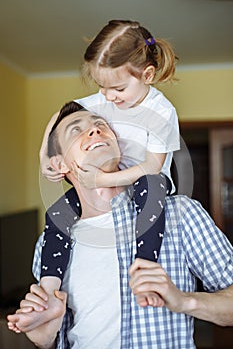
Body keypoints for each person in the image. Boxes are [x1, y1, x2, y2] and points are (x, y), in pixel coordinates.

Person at [7, 105, 233, 349]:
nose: (94, 130)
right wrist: (45, 340)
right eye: (76, 130)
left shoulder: (181, 214)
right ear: (59, 164)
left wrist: (185, 301)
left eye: (100, 124)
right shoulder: (48, 248)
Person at [39, 20, 180, 307]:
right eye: (101, 87)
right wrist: (44, 154)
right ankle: (49, 287)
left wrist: (100, 180)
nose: (107, 96)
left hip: (148, 180)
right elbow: (60, 114)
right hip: (113, 181)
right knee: (58, 213)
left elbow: (152, 167)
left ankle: (144, 267)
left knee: (149, 189)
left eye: (116, 88)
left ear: (147, 75)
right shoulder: (106, 98)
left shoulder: (161, 112)